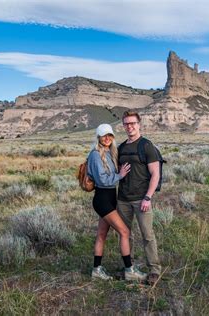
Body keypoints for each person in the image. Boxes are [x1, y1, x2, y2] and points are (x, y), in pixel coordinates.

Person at [87, 123, 147, 281]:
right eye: (104, 136)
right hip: (102, 200)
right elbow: (102, 180)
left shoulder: (110, 152)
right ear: (98, 137)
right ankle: (129, 271)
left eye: (110, 135)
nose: (107, 138)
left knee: (101, 235)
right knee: (125, 232)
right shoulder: (95, 154)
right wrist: (119, 175)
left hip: (110, 198)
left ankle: (96, 270)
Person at [117, 111, 161, 285]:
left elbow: (155, 174)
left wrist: (148, 197)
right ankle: (130, 267)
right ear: (123, 125)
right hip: (123, 199)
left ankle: (154, 270)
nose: (130, 126)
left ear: (139, 124)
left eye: (133, 123)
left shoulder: (146, 146)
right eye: (126, 124)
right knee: (125, 235)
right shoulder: (121, 147)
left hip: (141, 199)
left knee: (147, 235)